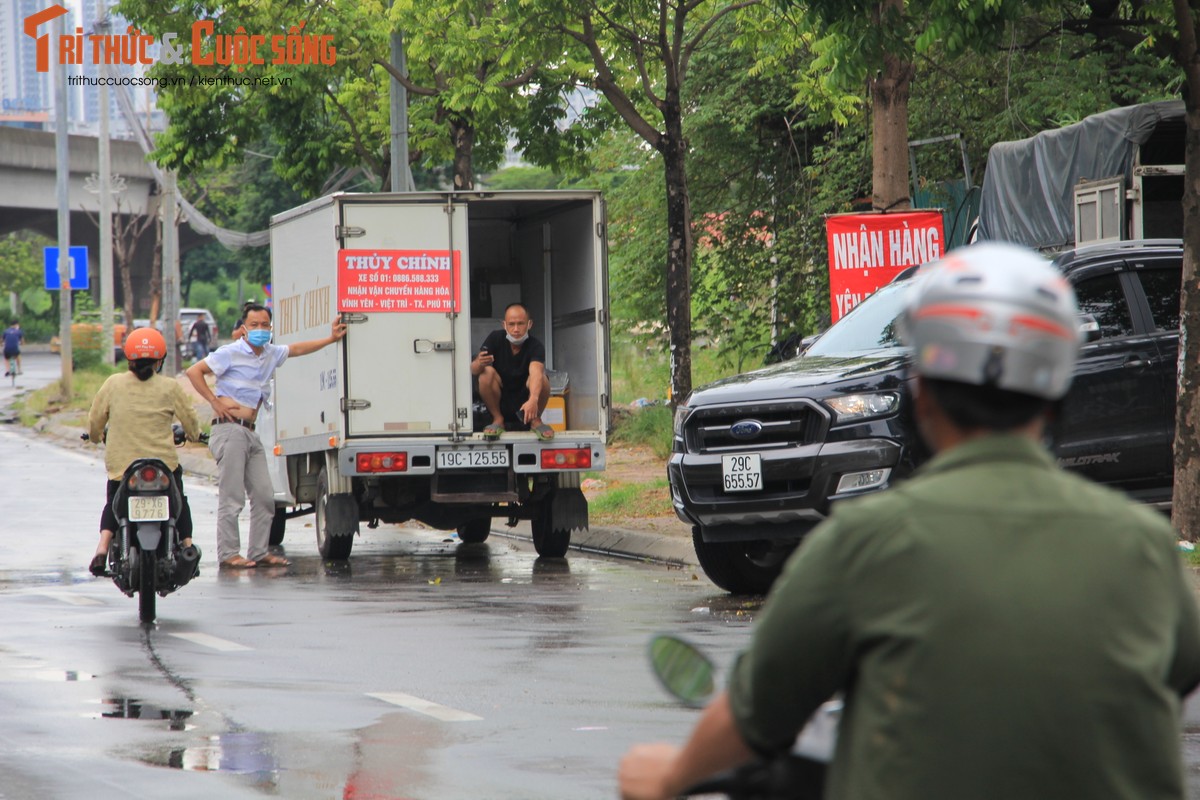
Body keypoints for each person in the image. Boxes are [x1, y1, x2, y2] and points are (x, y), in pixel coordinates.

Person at [618, 243, 1200, 800]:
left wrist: (670, 777)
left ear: (921, 398)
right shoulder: (1144, 547)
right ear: (1057, 392)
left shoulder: (863, 545)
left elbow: (753, 715)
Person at [186, 303, 346, 569]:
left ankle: (259, 552)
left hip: (250, 432)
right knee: (232, 497)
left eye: (264, 325)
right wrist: (215, 402)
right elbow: (194, 372)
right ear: (244, 329)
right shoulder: (231, 352)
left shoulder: (270, 353)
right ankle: (229, 554)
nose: (260, 330)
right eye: (254, 325)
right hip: (229, 430)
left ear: (271, 328)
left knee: (264, 496)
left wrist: (330, 338)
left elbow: (297, 349)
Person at [87, 327, 203, 577]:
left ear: (129, 359)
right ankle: (187, 547)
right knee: (179, 501)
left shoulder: (113, 384)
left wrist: (96, 437)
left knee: (113, 501)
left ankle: (101, 548)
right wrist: (194, 435)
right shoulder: (170, 387)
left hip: (123, 467)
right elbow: (190, 420)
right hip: (164, 467)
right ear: (159, 360)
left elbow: (96, 419)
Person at [470, 302, 553, 441]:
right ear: (504, 325)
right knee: (485, 373)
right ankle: (498, 419)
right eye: (511, 324)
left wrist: (533, 399)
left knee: (542, 379)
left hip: (527, 402)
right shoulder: (495, 338)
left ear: (529, 324)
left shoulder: (535, 346)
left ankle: (536, 420)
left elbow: (536, 372)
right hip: (500, 397)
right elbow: (473, 370)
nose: (516, 329)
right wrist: (479, 362)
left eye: (520, 324)